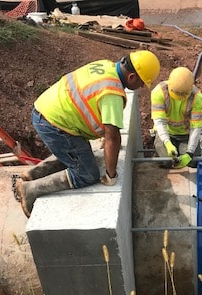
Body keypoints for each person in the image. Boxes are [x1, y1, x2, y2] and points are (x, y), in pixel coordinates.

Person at [15, 50, 161, 217]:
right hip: (55, 126)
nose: (141, 87)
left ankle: (31, 174)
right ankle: (30, 191)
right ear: (132, 77)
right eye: (142, 83)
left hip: (45, 110)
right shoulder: (112, 94)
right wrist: (111, 175)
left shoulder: (105, 65)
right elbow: (112, 136)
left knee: (79, 153)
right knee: (87, 173)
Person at [150, 66, 202, 169]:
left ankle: (183, 151)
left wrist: (190, 152)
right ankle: (165, 150)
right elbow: (160, 122)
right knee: (166, 161)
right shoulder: (159, 92)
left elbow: (196, 127)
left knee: (193, 161)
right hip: (166, 132)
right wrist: (167, 143)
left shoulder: (197, 97)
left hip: (185, 134)